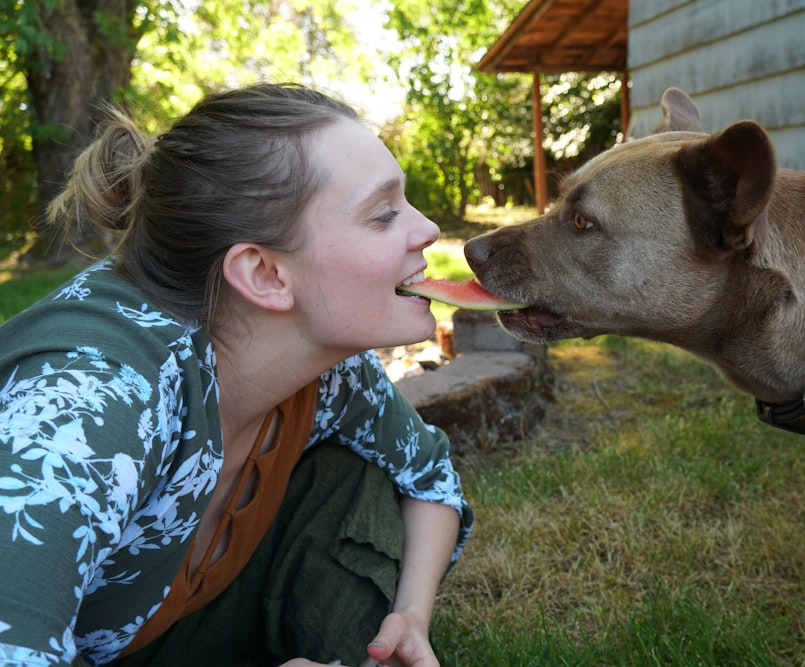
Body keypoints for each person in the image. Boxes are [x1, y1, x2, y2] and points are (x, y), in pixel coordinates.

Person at [0, 82, 473, 667]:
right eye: (382, 215)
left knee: (356, 472)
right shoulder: (88, 408)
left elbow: (428, 477)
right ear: (264, 274)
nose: (427, 229)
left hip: (161, 632)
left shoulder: (332, 372)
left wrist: (411, 615)